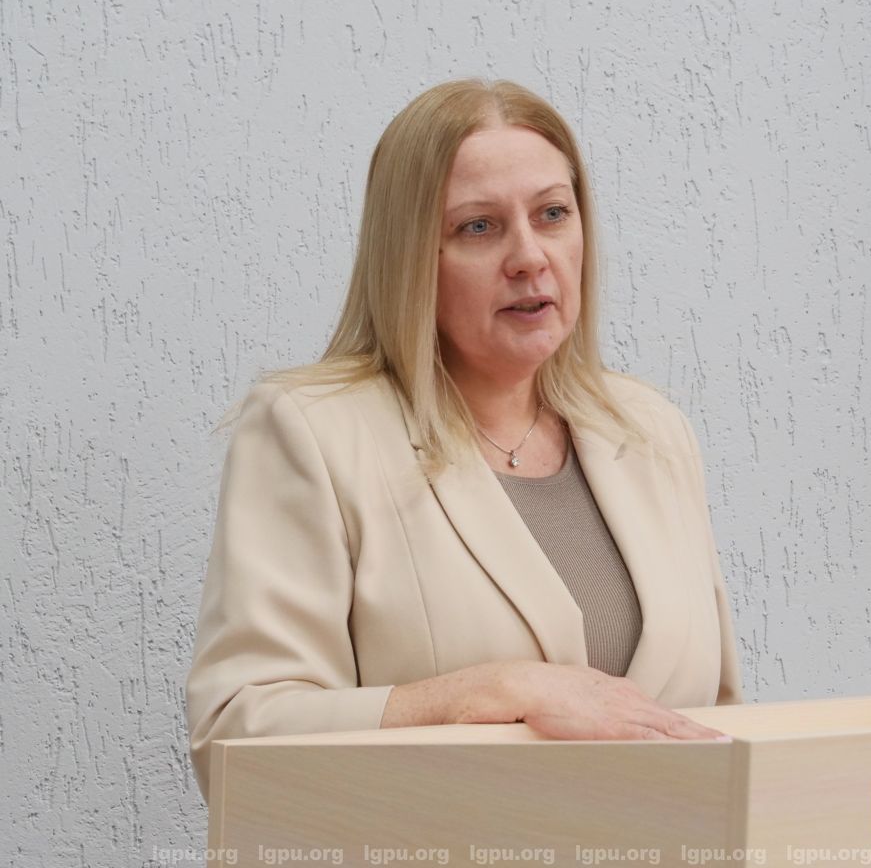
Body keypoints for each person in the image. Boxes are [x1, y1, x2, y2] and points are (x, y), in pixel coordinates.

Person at [185, 78, 743, 800]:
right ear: (411, 256)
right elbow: (236, 738)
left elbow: (722, 726)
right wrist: (490, 692)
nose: (530, 257)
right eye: (479, 227)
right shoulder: (314, 431)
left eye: (552, 214)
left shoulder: (650, 430)